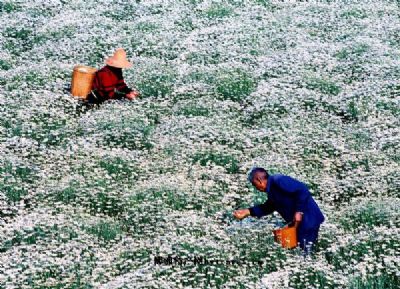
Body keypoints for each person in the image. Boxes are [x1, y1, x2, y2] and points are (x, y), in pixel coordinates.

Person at [233, 167, 325, 255]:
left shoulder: (278, 180)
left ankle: (308, 266)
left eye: (254, 184)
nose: (256, 188)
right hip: (299, 224)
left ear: (259, 180)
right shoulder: (272, 191)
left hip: (309, 220)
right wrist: (248, 211)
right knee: (298, 250)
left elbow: (302, 190)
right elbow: (269, 207)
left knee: (305, 251)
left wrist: (299, 211)